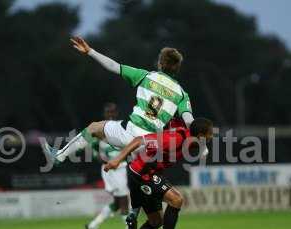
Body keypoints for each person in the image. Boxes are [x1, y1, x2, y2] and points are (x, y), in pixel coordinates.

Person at [44, 37, 196, 164]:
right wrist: (201, 140)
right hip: (151, 144)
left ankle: (59, 156)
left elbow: (114, 66)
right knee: (143, 181)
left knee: (94, 128)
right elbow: (190, 122)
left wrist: (90, 51)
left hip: (130, 132)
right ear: (177, 68)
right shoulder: (182, 94)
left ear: (160, 64)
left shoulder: (146, 76)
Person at [104, 118, 213, 229]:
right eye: (210, 134)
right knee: (176, 199)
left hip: (147, 175)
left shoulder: (191, 140)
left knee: (156, 221)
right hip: (142, 174)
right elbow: (138, 140)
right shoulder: (175, 139)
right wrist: (116, 160)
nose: (211, 137)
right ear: (201, 135)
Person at [84, 103, 130, 229]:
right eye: (107, 112)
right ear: (104, 114)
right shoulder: (99, 129)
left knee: (117, 203)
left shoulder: (121, 127)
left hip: (121, 167)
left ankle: (92, 226)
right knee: (124, 201)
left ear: (117, 113)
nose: (110, 114)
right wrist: (101, 157)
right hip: (112, 169)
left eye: (113, 112)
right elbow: (90, 146)